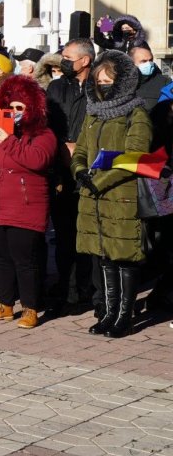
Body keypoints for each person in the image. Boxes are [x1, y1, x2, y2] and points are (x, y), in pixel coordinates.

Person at [72, 49, 152, 338]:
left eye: (107, 81)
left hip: (121, 195)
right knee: (104, 256)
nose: (101, 85)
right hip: (93, 196)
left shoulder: (136, 112)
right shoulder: (93, 113)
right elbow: (80, 149)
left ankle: (123, 316)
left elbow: (135, 155)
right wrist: (79, 170)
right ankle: (107, 311)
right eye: (98, 80)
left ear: (122, 82)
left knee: (124, 257)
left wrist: (101, 181)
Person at [0, 75, 56, 330]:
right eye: (11, 107)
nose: (14, 112)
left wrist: (9, 140)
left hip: (25, 205)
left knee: (25, 260)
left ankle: (31, 307)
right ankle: (5, 304)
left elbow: (36, 160)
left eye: (20, 108)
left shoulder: (44, 134)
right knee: (0, 257)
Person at [46, 38, 96, 312]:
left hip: (87, 170)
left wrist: (81, 146)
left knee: (85, 233)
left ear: (85, 60)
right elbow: (47, 123)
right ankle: (65, 285)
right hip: (60, 171)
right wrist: (59, 145)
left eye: (68, 56)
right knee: (64, 234)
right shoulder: (55, 87)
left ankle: (85, 288)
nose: (63, 60)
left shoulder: (99, 88)